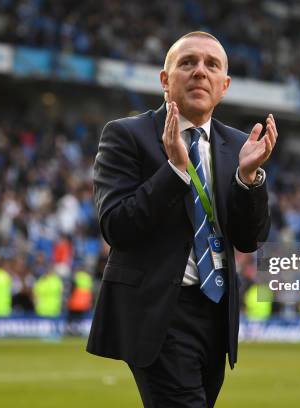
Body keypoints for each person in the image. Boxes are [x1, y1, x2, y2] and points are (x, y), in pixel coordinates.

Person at [86, 31, 277, 407]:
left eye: (211, 65)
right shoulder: (126, 135)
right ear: (164, 79)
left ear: (224, 85)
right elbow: (116, 226)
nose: (199, 72)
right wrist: (175, 169)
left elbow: (249, 239)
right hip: (159, 314)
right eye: (187, 63)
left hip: (217, 314)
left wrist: (248, 180)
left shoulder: (240, 145)